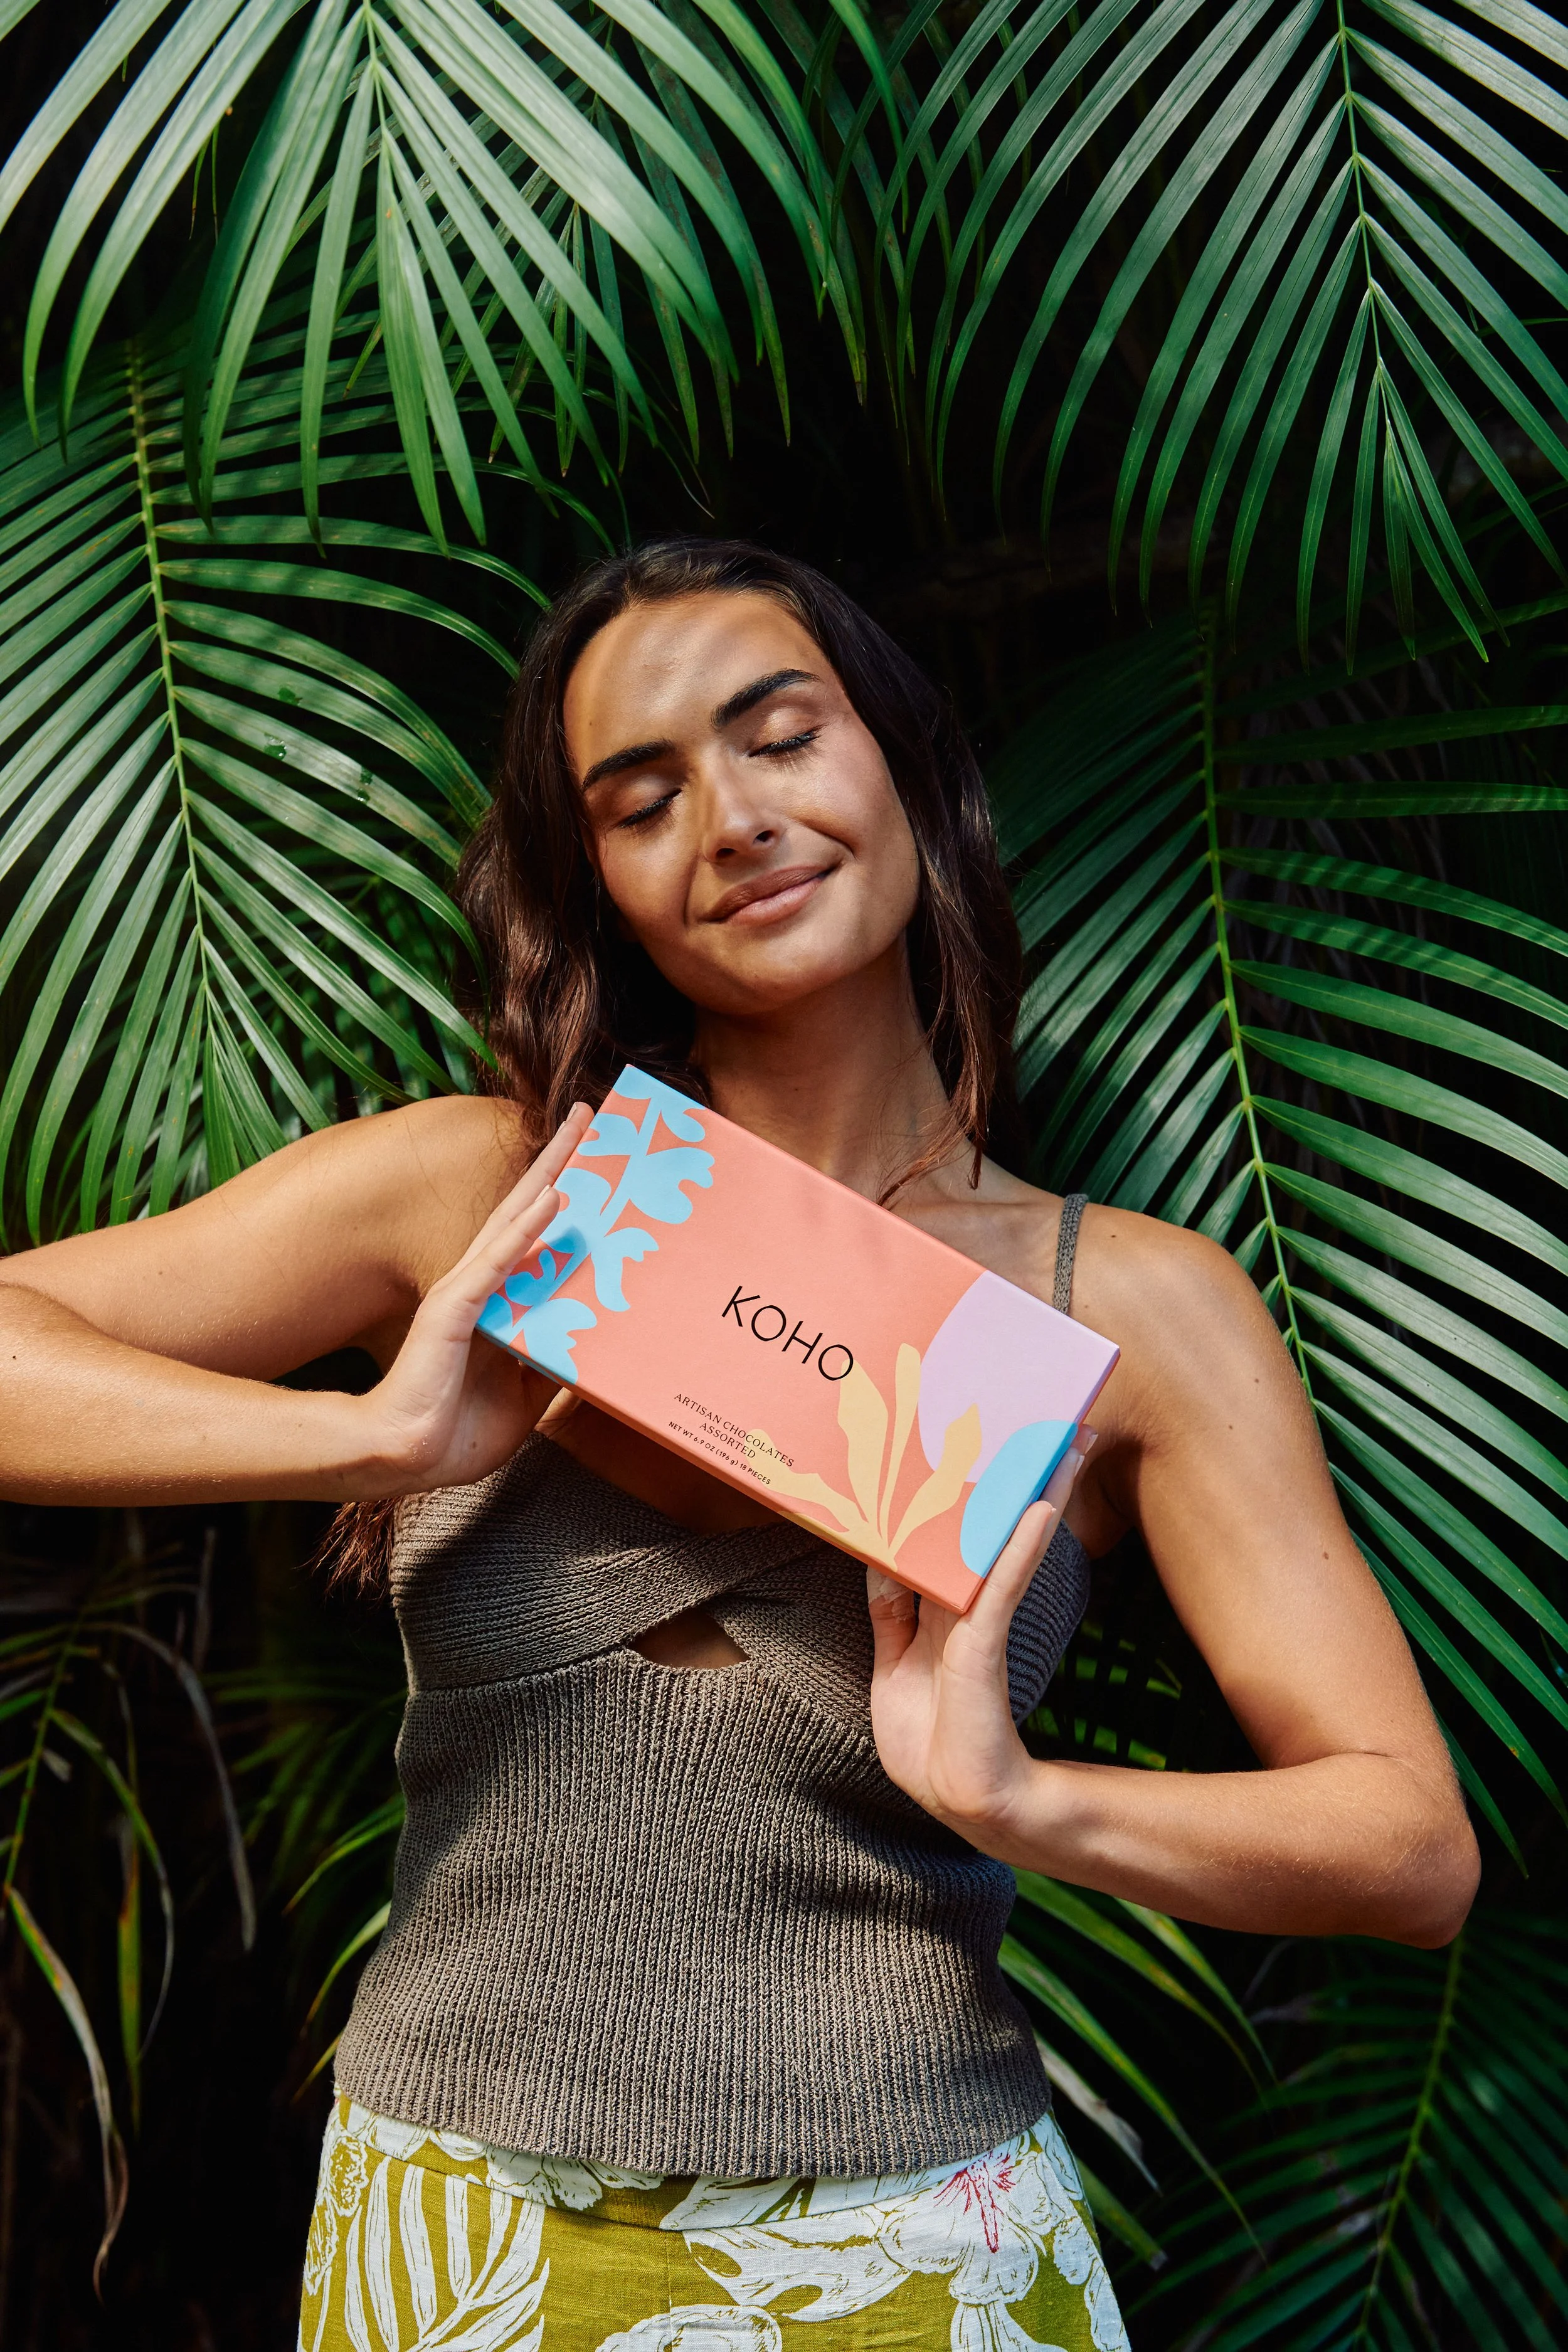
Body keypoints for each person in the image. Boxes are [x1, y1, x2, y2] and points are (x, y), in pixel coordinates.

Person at [0, 539, 1477, 2351]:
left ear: (908, 767)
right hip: (462, 2231)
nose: (732, 817)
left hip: (914, 2246)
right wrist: (375, 1426)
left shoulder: (1133, 1310)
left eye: (780, 736)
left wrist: (1025, 1802)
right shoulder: (485, 1196)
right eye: (644, 798)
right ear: (602, 886)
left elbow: (1407, 1843)